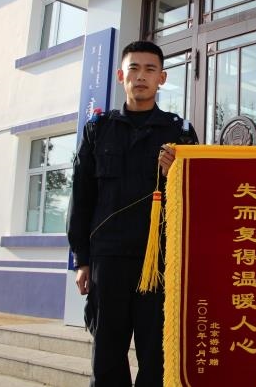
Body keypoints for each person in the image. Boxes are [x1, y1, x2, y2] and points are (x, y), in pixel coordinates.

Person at [67, 40, 198, 387]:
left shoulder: (179, 133)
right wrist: (82, 259)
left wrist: (177, 173)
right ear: (120, 75)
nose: (141, 76)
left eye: (150, 69)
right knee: (107, 355)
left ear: (162, 78)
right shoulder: (98, 130)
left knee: (157, 357)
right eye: (134, 68)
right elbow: (82, 197)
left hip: (160, 260)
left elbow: (197, 197)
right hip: (108, 260)